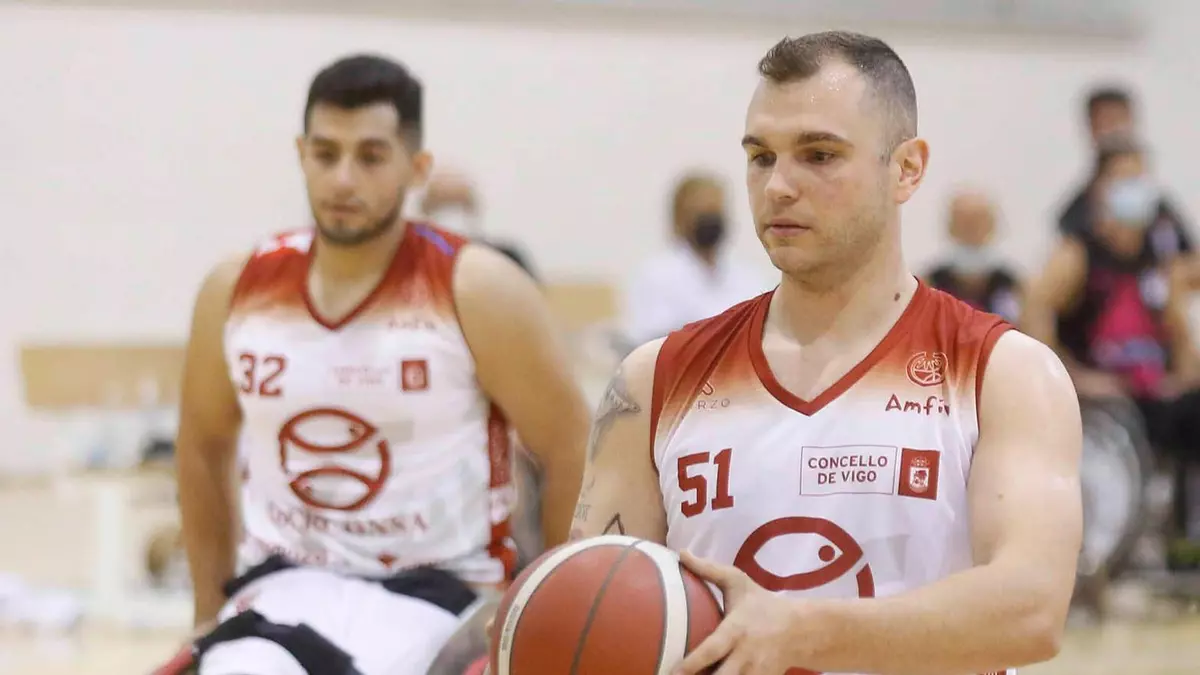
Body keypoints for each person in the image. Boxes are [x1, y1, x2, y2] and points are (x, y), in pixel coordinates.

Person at [570, 31, 1081, 675]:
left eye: (819, 155)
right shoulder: (654, 380)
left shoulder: (1004, 373)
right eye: (761, 157)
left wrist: (801, 632)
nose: (778, 186)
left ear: (906, 169)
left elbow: (1032, 610)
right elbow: (591, 614)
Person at [171, 54, 590, 675]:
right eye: (325, 154)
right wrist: (208, 608)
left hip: (442, 594)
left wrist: (552, 624)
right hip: (283, 583)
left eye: (370, 157)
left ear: (416, 168)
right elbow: (202, 447)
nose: (343, 179)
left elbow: (572, 448)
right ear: (301, 154)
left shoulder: (478, 289)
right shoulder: (236, 290)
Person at [1024, 135, 1200, 571]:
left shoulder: (1161, 258)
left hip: (1151, 389)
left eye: (1141, 178)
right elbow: (1035, 313)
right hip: (1103, 395)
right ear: (1100, 189)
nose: (1135, 188)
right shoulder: (1077, 252)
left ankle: (1185, 542)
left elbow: (1179, 338)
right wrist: (1075, 377)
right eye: (1124, 179)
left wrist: (1184, 373)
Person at [621, 171, 768, 348]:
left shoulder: (748, 276)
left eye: (715, 210)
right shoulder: (656, 275)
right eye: (701, 211)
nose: (710, 219)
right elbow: (651, 339)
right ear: (680, 217)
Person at [417, 168, 539, 280]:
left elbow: (533, 293)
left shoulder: (507, 257)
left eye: (459, 203)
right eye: (443, 204)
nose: (452, 214)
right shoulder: (415, 261)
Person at [924, 188, 1022, 323]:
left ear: (993, 226)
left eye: (978, 223)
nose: (971, 231)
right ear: (950, 227)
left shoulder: (1014, 286)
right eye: (964, 224)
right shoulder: (928, 286)